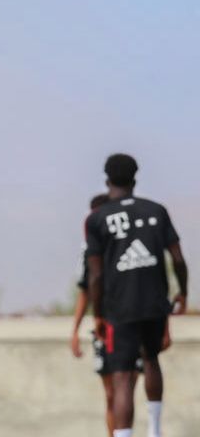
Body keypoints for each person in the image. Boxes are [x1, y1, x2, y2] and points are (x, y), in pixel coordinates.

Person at [86, 154, 188, 437]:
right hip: (154, 301)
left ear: (107, 181)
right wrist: (183, 291)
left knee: (121, 377)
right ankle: (154, 430)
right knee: (152, 358)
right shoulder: (156, 210)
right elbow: (178, 259)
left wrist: (98, 314)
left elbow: (95, 275)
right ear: (135, 178)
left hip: (120, 306)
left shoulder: (97, 219)